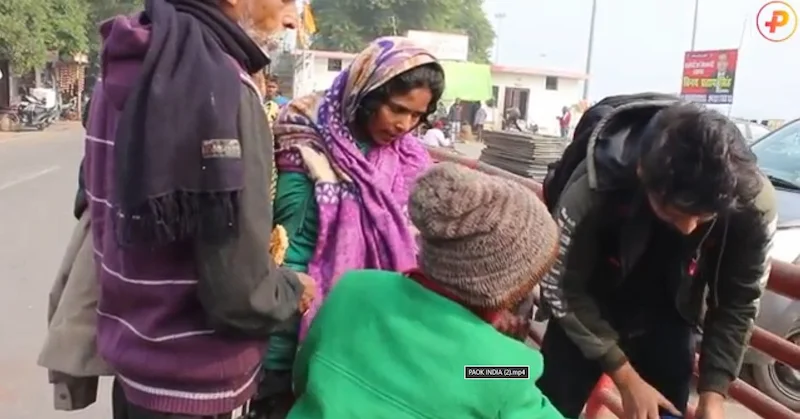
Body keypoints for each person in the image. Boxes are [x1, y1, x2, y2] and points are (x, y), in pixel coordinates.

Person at [82, 0, 318, 417]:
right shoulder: (224, 88)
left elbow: (95, 203)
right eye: (286, 2)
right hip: (197, 375)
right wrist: (291, 290)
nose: (290, 20)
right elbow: (240, 293)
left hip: (133, 354)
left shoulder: (122, 65)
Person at [537, 94, 775, 419]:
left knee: (667, 410)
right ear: (641, 172)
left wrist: (714, 393)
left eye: (704, 216)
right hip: (590, 294)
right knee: (550, 406)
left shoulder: (752, 203)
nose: (689, 228)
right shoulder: (595, 186)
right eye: (675, 212)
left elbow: (740, 300)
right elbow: (562, 285)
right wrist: (625, 378)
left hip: (670, 307)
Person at [250, 37, 444, 417]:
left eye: (417, 116)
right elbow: (290, 240)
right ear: (366, 93)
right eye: (397, 109)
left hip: (364, 332)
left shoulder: (410, 160)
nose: (404, 125)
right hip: (291, 325)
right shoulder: (305, 137)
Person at [288, 162, 565, 418]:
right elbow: (482, 374)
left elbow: (303, 376)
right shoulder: (500, 367)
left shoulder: (354, 288)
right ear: (508, 287)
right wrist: (503, 349)